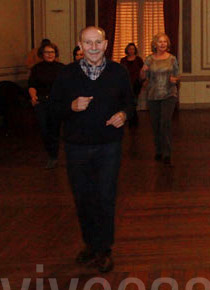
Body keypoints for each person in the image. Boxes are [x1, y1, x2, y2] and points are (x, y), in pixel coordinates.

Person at [49, 26, 134, 272]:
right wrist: (71, 106)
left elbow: (130, 102)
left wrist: (124, 114)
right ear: (80, 45)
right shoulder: (67, 74)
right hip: (76, 147)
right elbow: (53, 109)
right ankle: (90, 245)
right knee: (83, 198)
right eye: (88, 43)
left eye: (98, 42)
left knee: (105, 197)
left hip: (109, 146)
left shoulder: (118, 72)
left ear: (106, 44)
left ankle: (104, 249)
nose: (94, 47)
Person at [141, 33, 179, 165]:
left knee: (165, 122)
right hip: (153, 94)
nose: (163, 44)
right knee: (156, 124)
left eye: (165, 42)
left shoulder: (172, 59)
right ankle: (158, 149)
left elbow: (177, 75)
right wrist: (143, 70)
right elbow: (142, 77)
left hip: (169, 94)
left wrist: (175, 79)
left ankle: (167, 153)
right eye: (160, 42)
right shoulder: (149, 59)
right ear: (155, 44)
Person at [28, 41, 64, 168]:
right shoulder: (36, 69)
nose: (50, 55)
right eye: (47, 52)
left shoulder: (61, 68)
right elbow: (32, 85)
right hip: (41, 102)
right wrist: (33, 97)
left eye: (52, 52)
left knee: (54, 129)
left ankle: (53, 156)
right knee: (44, 129)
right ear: (42, 54)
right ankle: (50, 153)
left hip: (56, 102)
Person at [120, 42, 144, 127]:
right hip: (126, 84)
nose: (131, 50)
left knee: (134, 101)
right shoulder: (123, 60)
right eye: (130, 49)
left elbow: (143, 71)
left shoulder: (138, 60)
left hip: (136, 83)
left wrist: (142, 81)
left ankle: (134, 119)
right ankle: (132, 119)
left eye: (133, 49)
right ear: (127, 50)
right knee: (129, 101)